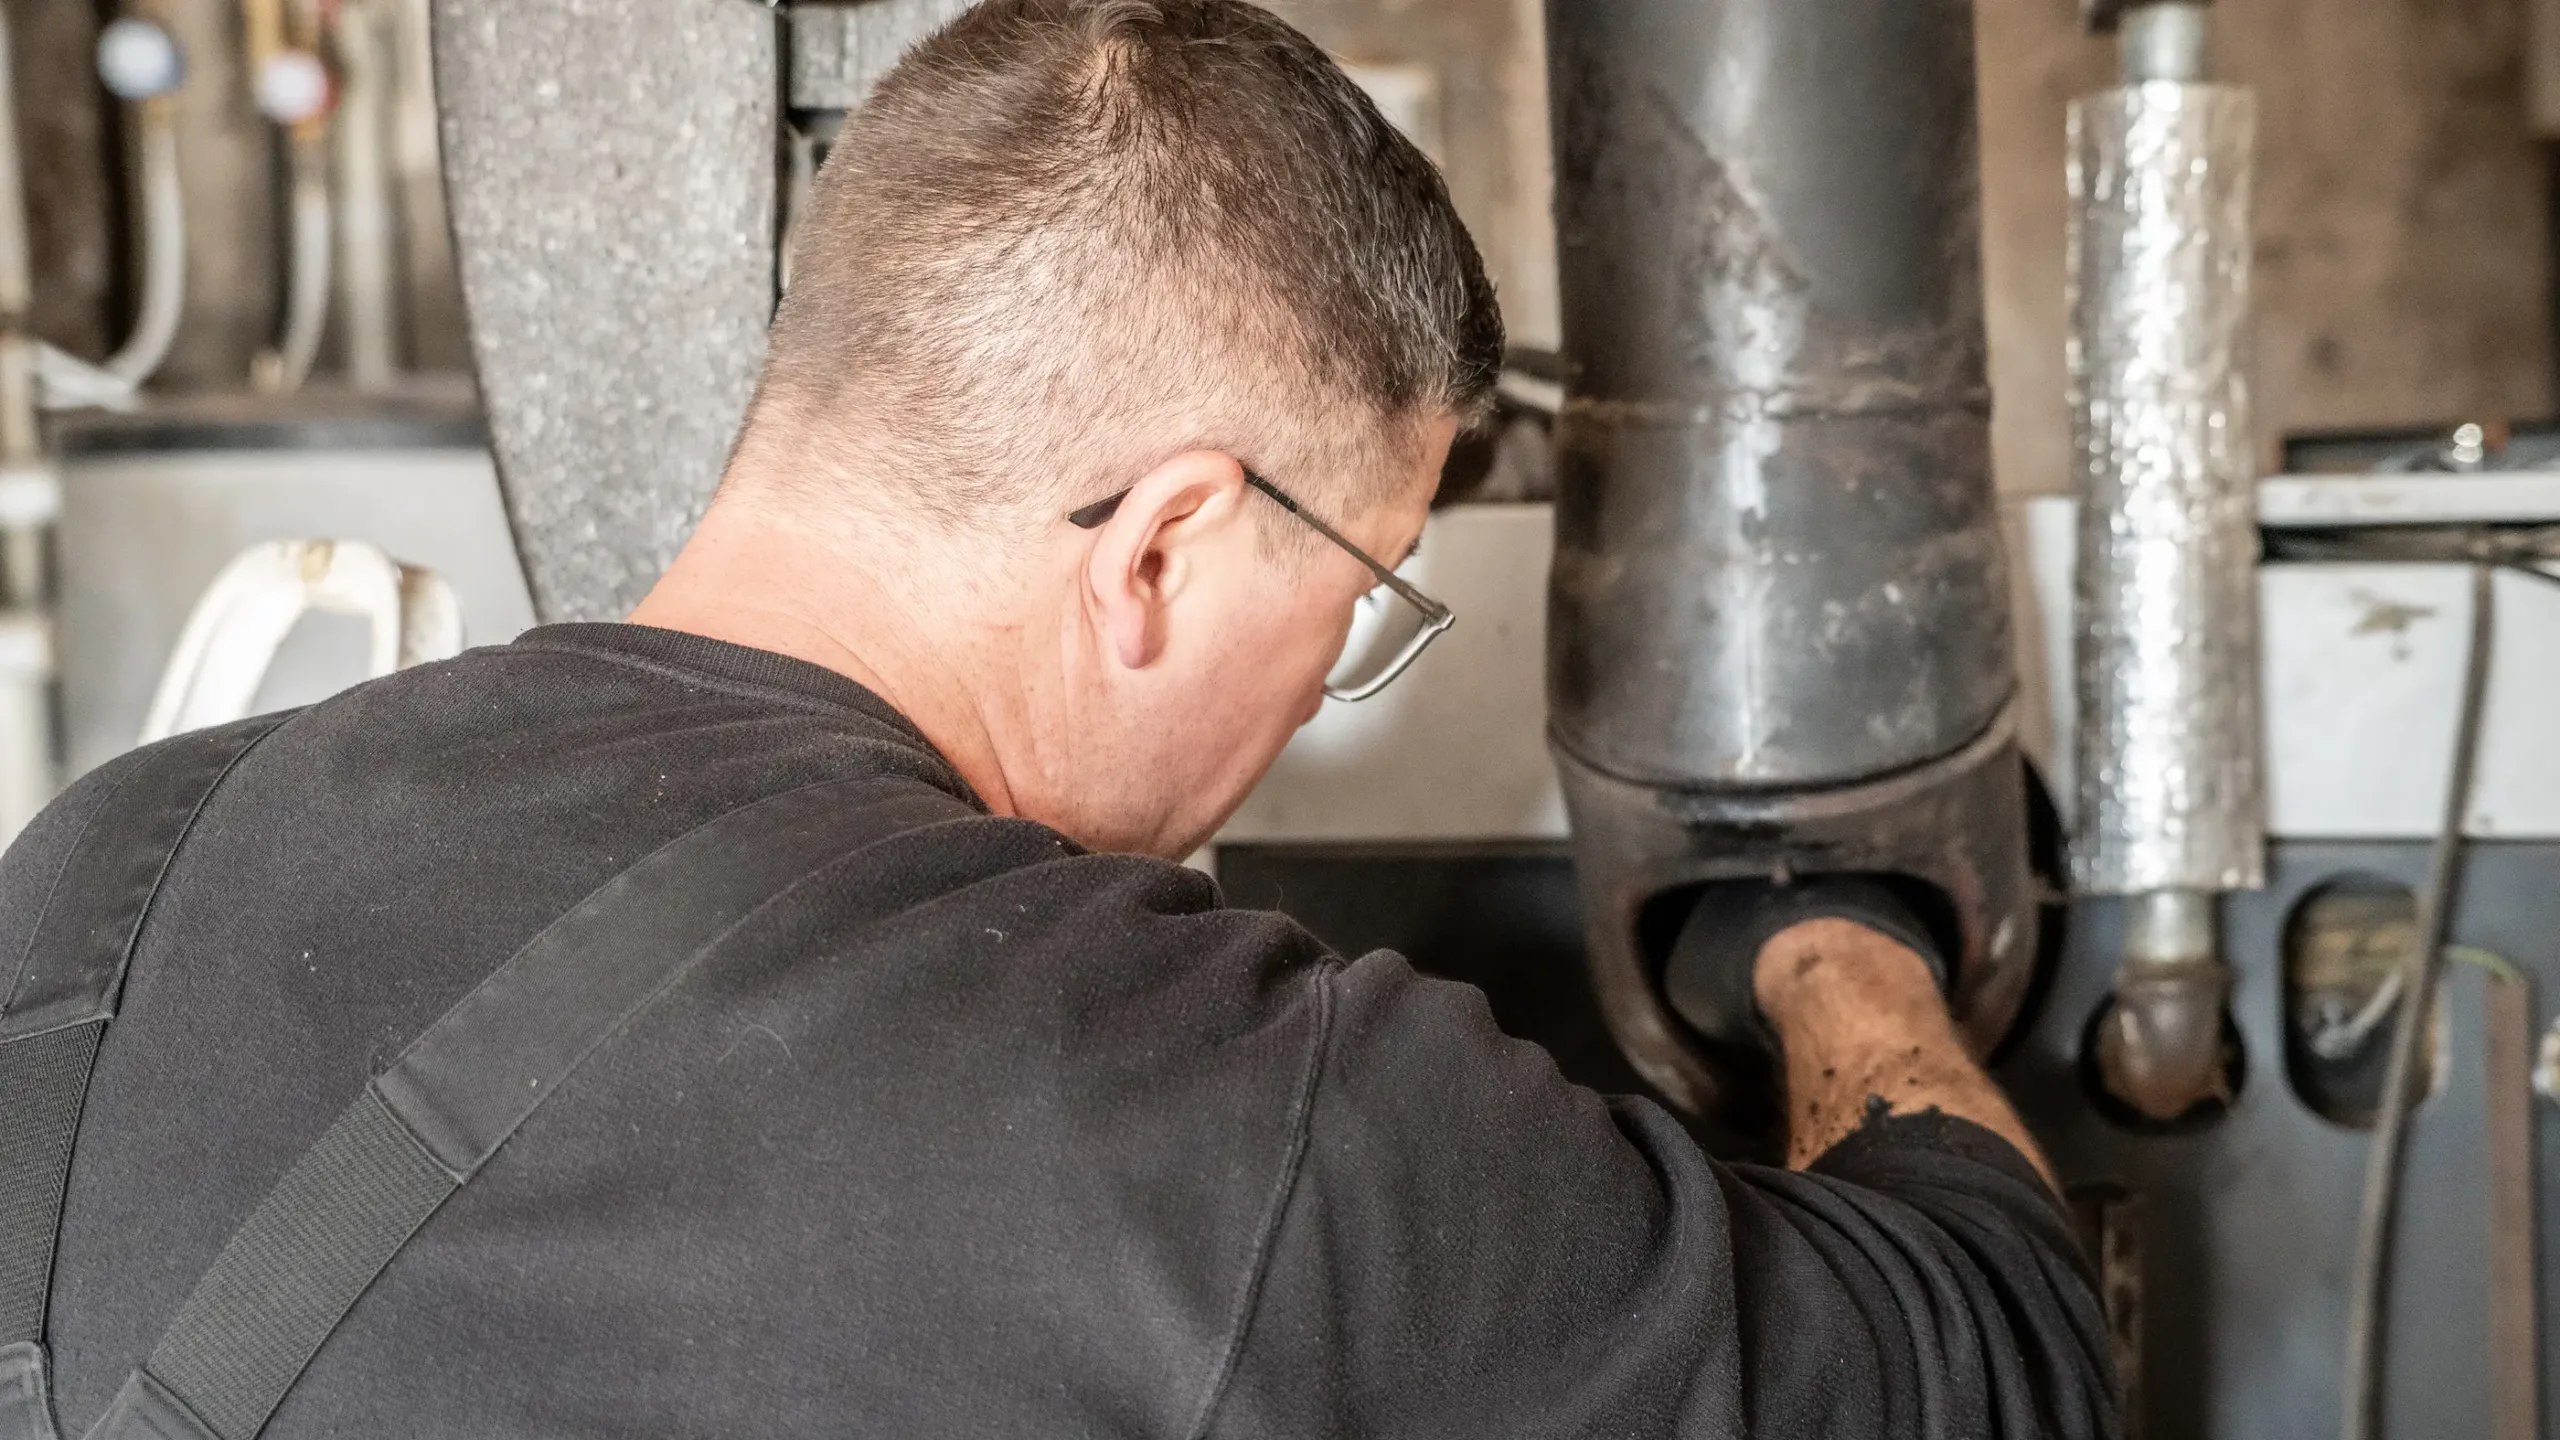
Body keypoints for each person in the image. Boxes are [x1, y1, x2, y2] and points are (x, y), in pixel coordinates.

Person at [0, 2, 2113, 1435]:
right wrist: (1826, 949)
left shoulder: (106, 872)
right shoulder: (1209, 1110)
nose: (1312, 697)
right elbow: (1991, 1351)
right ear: (1166, 548)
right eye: (1358, 600)